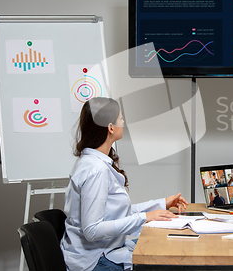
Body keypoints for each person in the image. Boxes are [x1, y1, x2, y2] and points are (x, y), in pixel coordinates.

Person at [60, 97, 188, 271]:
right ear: (110, 128)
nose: (123, 122)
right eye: (121, 118)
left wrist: (160, 204)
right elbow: (92, 230)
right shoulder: (96, 170)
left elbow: (115, 214)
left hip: (104, 250)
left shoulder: (94, 162)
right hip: (96, 260)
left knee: (164, 246)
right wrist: (145, 217)